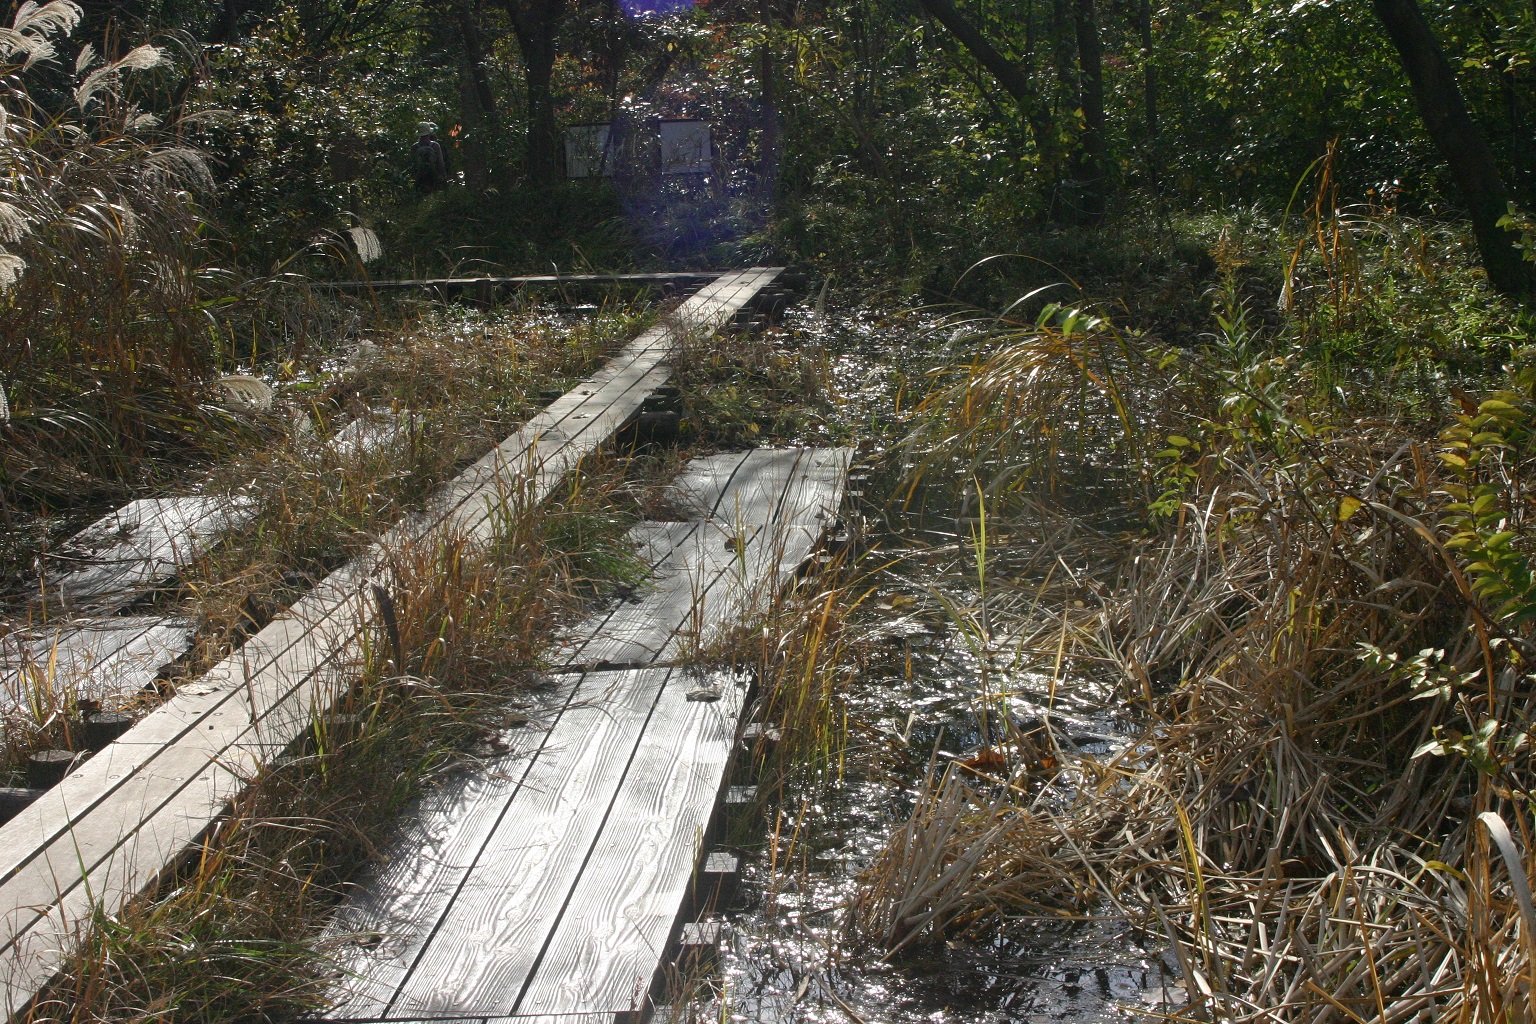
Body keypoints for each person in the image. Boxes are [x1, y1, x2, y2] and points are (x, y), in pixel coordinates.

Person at [411, 122, 447, 193]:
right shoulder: (435, 145)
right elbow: (440, 162)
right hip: (433, 175)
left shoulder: (414, 146)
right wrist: (443, 176)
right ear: (429, 133)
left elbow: (413, 163)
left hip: (420, 176)